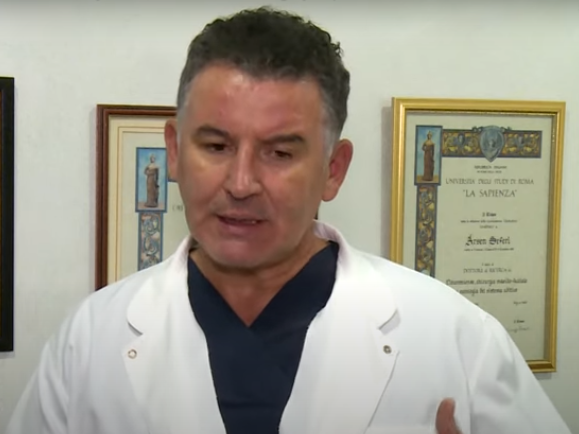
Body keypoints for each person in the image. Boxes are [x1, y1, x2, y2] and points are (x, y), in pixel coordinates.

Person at [6, 7, 572, 434]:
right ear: (174, 153)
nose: (241, 182)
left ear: (333, 169)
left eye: (279, 152)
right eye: (216, 146)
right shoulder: (90, 343)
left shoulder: (457, 340)